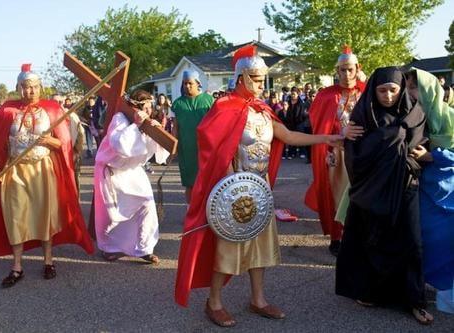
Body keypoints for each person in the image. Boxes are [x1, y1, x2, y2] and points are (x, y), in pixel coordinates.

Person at [174, 44, 343, 327]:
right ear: (240, 78)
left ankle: (258, 299)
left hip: (260, 189)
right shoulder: (224, 107)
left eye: (262, 79)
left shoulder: (263, 111)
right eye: (255, 78)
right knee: (227, 247)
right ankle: (213, 302)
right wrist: (230, 182)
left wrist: (325, 139)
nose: (260, 85)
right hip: (234, 190)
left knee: (261, 246)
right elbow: (211, 144)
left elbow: (288, 135)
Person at [0, 64, 94, 287]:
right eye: (25, 87)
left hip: (43, 170)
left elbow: (64, 143)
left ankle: (48, 261)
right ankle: (17, 266)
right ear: (18, 88)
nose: (29, 91)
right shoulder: (6, 111)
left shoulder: (52, 110)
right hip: (15, 171)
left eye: (33, 87)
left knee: (45, 215)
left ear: (40, 87)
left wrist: (49, 141)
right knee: (16, 217)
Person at [336, 66, 432, 324]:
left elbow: (424, 147)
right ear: (373, 90)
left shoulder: (415, 114)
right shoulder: (364, 115)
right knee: (373, 241)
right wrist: (348, 138)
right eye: (382, 90)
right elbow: (353, 152)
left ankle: (415, 301)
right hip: (371, 189)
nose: (388, 95)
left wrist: (419, 156)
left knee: (412, 242)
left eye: (393, 90)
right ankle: (372, 292)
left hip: (405, 186)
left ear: (401, 90)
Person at [305, 45, 366, 256]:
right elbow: (319, 125)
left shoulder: (368, 92)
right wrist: (332, 144)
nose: (347, 74)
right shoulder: (325, 96)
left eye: (350, 69)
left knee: (362, 196)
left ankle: (359, 236)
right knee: (337, 196)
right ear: (336, 71)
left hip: (363, 154)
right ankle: (337, 237)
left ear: (358, 68)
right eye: (342, 70)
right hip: (337, 154)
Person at [93, 90, 161, 264]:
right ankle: (109, 248)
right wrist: (136, 126)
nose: (148, 111)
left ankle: (144, 248)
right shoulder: (119, 119)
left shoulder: (145, 122)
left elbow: (149, 152)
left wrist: (154, 133)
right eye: (145, 107)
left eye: (150, 107)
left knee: (146, 203)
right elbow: (120, 145)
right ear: (135, 108)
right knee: (111, 214)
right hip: (112, 170)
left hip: (133, 170)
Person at [406, 68, 454, 314]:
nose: (411, 92)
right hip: (422, 191)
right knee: (424, 240)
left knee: (446, 243)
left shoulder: (450, 117)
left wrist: (432, 156)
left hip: (447, 195)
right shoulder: (409, 117)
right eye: (409, 87)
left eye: (415, 87)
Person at [172, 70, 214, 203]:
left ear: (198, 84)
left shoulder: (209, 100)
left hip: (205, 148)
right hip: (186, 149)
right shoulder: (178, 103)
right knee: (190, 182)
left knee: (207, 182)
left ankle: (207, 212)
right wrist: (173, 147)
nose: (187, 86)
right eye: (184, 84)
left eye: (190, 83)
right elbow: (175, 127)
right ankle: (190, 211)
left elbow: (216, 125)